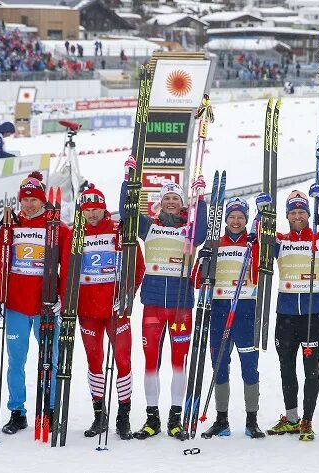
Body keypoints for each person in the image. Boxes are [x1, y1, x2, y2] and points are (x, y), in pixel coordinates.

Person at [117, 171, 208, 440]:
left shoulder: (189, 229)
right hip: (154, 304)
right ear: (160, 201)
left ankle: (175, 419)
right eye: (166, 197)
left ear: (182, 203)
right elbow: (126, 213)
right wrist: (128, 181)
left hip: (181, 304)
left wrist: (200, 200)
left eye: (175, 198)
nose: (170, 201)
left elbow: (202, 231)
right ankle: (152, 418)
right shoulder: (149, 226)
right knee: (151, 362)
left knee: (179, 362)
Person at [265, 188, 319, 441]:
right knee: (286, 368)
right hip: (285, 316)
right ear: (287, 216)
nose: (298, 216)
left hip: (312, 316)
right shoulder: (281, 241)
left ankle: (307, 421)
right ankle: (291, 418)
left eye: (302, 211)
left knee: (311, 370)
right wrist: (262, 215)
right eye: (293, 212)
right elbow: (262, 237)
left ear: (308, 214)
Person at [0, 171, 70, 434]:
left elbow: (68, 267)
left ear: (43, 201)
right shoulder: (10, 227)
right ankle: (17, 411)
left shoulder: (57, 228)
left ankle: (49, 407)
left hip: (45, 305)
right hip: (16, 306)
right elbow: (0, 264)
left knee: (51, 359)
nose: (29, 204)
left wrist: (63, 296)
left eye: (34, 200)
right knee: (16, 362)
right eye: (25, 200)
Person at [69, 184, 144, 440]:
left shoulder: (119, 231)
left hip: (116, 310)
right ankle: (99, 414)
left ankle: (123, 416)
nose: (92, 214)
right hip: (88, 310)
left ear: (104, 208)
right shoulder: (75, 234)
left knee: (123, 360)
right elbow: (67, 272)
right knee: (94, 361)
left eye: (96, 209)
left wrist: (126, 295)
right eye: (87, 210)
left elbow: (138, 266)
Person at [199, 197, 263, 439]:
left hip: (245, 313)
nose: (236, 221)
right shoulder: (215, 243)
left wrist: (256, 247)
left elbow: (259, 276)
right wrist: (204, 258)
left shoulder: (252, 243)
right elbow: (198, 280)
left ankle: (252, 420)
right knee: (219, 367)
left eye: (241, 217)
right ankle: (221, 420)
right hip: (219, 312)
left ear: (246, 220)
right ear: (225, 219)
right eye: (232, 216)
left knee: (250, 368)